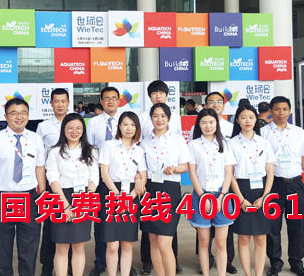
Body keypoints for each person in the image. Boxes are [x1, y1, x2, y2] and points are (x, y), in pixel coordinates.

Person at [0, 98, 46, 276]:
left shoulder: (36, 139)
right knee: (2, 249)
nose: (19, 117)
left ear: (28, 115)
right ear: (6, 116)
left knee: (29, 249)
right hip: (2, 198)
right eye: (14, 113)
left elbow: (40, 168)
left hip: (30, 199)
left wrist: (43, 197)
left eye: (23, 112)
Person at [260, 97, 304, 276]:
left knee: (296, 224)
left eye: (284, 109)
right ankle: (275, 262)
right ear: (270, 111)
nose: (281, 112)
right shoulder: (263, 133)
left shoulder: (298, 132)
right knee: (272, 226)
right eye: (277, 109)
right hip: (273, 185)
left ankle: (296, 262)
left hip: (296, 185)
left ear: (290, 111)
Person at [46, 113, 100, 276]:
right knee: (61, 246)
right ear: (64, 130)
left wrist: (85, 201)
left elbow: (94, 177)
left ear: (83, 130)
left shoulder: (91, 150)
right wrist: (65, 205)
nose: (74, 131)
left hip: (84, 197)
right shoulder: (54, 151)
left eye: (78, 128)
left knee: (79, 246)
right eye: (70, 128)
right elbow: (52, 178)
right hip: (61, 197)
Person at [141, 103, 190, 276]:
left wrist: (174, 169)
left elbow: (185, 166)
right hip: (150, 191)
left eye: (163, 116)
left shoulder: (178, 140)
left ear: (169, 118)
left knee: (164, 243)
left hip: (170, 191)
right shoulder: (145, 142)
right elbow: (142, 170)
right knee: (154, 242)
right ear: (151, 118)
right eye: (155, 115)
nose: (159, 119)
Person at [189, 92, 235, 274]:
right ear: (199, 125)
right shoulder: (193, 145)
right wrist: (203, 197)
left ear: (217, 124)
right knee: (204, 241)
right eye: (204, 122)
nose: (208, 126)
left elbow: (229, 173)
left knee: (221, 242)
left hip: (222, 196)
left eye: (211, 122)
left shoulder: (225, 144)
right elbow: (193, 174)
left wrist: (221, 197)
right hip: (201, 195)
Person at [99, 111, 147, 276]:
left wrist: (129, 197)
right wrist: (119, 196)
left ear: (137, 128)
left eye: (132, 125)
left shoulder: (139, 150)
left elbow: (143, 176)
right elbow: (104, 174)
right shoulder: (109, 146)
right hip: (112, 192)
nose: (129, 128)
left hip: (131, 195)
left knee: (127, 244)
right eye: (125, 124)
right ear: (119, 126)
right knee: (112, 245)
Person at [229, 105, 275, 276]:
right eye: (243, 117)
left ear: (256, 119)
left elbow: (270, 172)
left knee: (261, 237)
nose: (247, 120)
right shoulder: (231, 144)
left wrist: (265, 196)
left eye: (251, 117)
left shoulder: (264, 143)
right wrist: (241, 199)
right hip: (241, 190)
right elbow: (230, 174)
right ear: (237, 120)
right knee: (243, 237)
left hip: (261, 191)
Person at [86, 86, 124, 276]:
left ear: (119, 101)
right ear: (101, 101)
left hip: (122, 179)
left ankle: (123, 262)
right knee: (101, 222)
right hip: (101, 180)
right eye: (106, 98)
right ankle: (101, 262)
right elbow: (89, 152)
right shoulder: (93, 123)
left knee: (123, 220)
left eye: (113, 98)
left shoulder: (126, 121)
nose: (110, 101)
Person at [36, 88, 72, 276]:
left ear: (68, 103)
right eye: (56, 101)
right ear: (51, 104)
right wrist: (42, 187)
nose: (60, 104)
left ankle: (71, 265)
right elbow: (40, 159)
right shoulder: (43, 127)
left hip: (73, 183)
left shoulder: (75, 124)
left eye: (63, 101)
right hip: (52, 183)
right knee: (51, 224)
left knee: (72, 223)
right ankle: (47, 265)